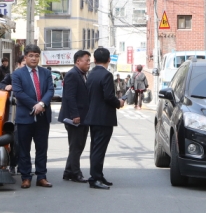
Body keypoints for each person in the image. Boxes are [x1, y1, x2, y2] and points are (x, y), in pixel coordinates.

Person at [12, 44, 55, 189]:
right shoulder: (18, 74)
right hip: (25, 117)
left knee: (42, 148)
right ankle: (26, 177)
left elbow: (50, 90)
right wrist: (35, 105)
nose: (34, 58)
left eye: (36, 56)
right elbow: (18, 93)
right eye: (31, 56)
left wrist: (41, 104)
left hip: (43, 117)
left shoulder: (46, 73)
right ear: (25, 57)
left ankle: (41, 176)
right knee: (24, 149)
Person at [84, 47, 125, 190]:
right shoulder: (106, 75)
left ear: (94, 60)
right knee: (99, 149)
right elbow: (108, 96)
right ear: (108, 59)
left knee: (95, 148)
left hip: (93, 116)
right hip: (103, 117)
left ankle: (98, 176)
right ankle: (95, 178)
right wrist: (119, 102)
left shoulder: (91, 74)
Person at [59, 50, 91, 183]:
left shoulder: (82, 74)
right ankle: (76, 173)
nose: (89, 63)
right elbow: (69, 97)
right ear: (78, 61)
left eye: (89, 61)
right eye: (86, 60)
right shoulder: (72, 74)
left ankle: (68, 172)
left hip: (83, 116)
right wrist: (75, 115)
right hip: (75, 118)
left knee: (77, 146)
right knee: (76, 146)